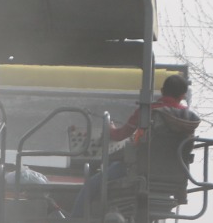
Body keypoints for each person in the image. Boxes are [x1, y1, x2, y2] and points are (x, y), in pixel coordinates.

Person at [72, 74, 192, 215]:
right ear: (183, 95)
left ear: (162, 90)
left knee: (91, 185)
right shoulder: (188, 119)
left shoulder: (149, 111)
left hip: (137, 170)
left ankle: (74, 221)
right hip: (174, 175)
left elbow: (120, 135)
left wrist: (109, 128)